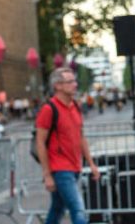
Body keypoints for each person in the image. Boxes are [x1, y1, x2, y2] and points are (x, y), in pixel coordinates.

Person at [36, 67, 100, 224]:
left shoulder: (75, 106)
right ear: (58, 86)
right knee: (78, 209)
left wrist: (91, 164)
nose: (75, 84)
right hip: (60, 170)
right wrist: (47, 174)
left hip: (74, 167)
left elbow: (81, 137)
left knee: (57, 209)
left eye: (75, 80)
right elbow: (40, 142)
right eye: (70, 81)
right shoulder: (48, 109)